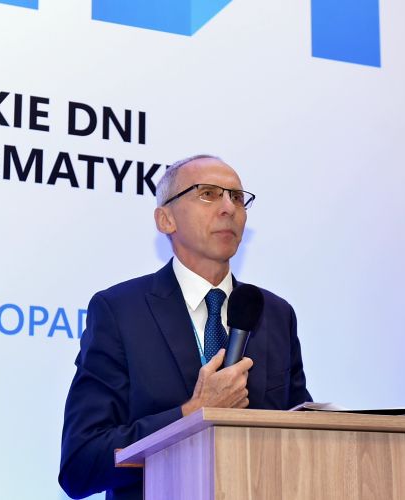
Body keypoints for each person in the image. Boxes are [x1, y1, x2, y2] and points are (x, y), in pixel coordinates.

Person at [59, 155, 311, 500]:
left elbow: (302, 436)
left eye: (237, 197)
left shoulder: (275, 314)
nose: (228, 208)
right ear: (165, 219)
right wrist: (191, 414)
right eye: (208, 193)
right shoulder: (120, 312)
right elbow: (81, 464)